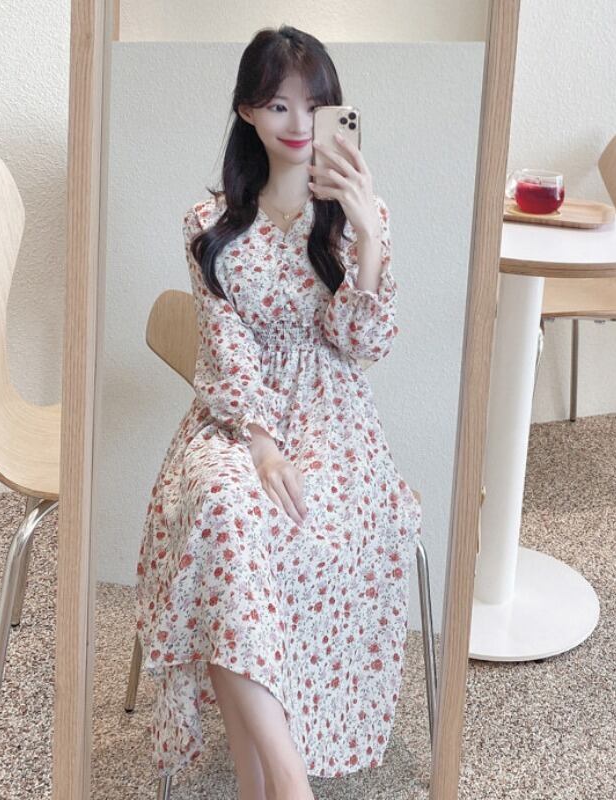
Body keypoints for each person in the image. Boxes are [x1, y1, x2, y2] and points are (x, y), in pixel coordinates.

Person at [135, 24, 422, 800]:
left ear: (335, 112)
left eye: (313, 105)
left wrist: (367, 238)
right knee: (225, 508)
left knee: (297, 534)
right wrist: (260, 443)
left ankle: (261, 783)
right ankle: (287, 780)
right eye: (277, 104)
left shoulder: (359, 216)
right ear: (247, 111)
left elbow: (363, 344)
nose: (297, 123)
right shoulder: (209, 224)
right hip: (237, 418)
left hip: (334, 419)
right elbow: (225, 345)